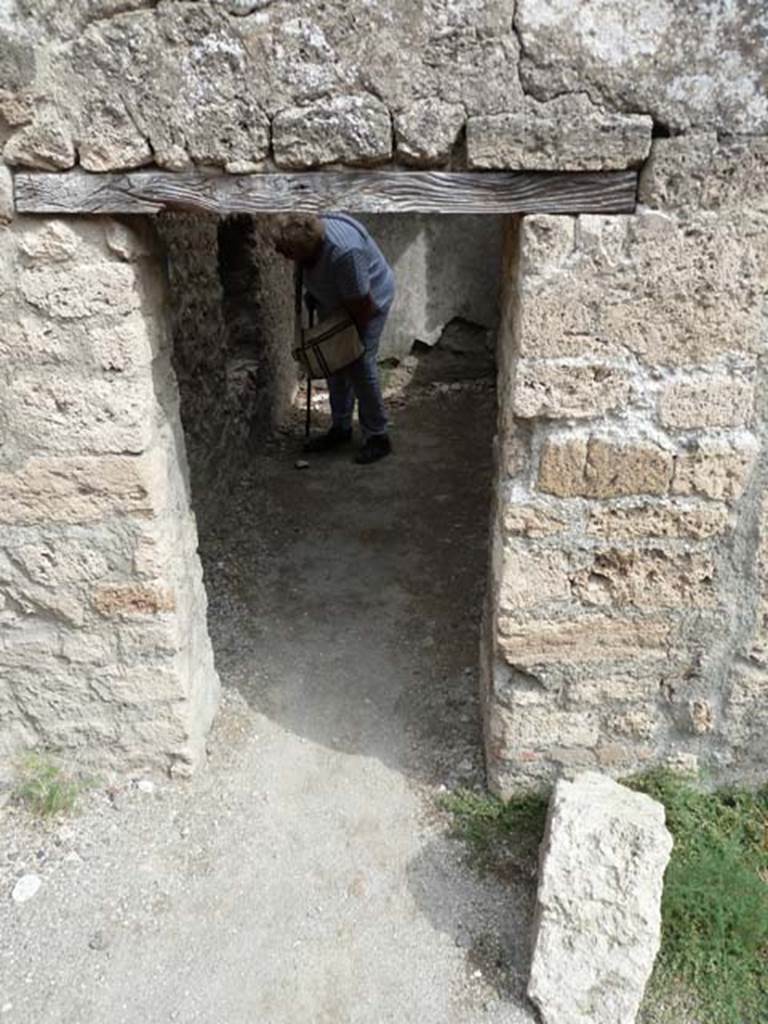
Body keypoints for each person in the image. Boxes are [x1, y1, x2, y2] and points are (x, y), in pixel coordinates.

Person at [274, 213, 395, 465]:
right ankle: (340, 427)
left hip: (369, 303)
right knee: (334, 362)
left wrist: (351, 343)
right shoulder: (309, 237)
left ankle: (377, 436)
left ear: (305, 249)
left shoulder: (345, 253)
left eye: (286, 251)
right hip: (338, 301)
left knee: (360, 364)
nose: (280, 254)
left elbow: (363, 306)